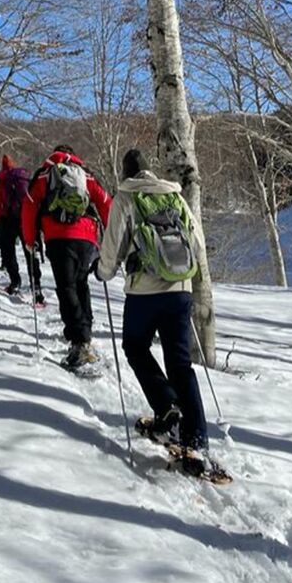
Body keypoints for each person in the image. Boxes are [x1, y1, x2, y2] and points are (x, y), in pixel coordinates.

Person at [95, 149, 210, 457]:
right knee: (180, 362)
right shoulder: (174, 196)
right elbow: (197, 243)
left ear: (126, 174)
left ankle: (167, 406)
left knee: (135, 346)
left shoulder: (126, 197)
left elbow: (112, 245)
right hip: (180, 288)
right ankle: (196, 436)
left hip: (144, 292)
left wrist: (103, 272)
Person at [22, 145, 111, 368]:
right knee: (81, 283)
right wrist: (110, 237)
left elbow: (29, 206)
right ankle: (84, 333)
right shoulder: (86, 174)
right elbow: (105, 202)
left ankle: (79, 342)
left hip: (58, 235)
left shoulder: (46, 173)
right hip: (87, 238)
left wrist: (30, 239)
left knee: (66, 287)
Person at [0, 155, 43, 302]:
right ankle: (36, 285)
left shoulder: (2, 180)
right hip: (25, 218)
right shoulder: (24, 177)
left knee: (8, 251)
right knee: (30, 252)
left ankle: (15, 282)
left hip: (7, 220)